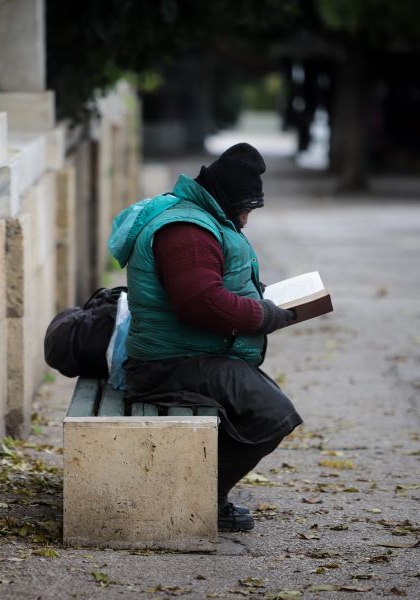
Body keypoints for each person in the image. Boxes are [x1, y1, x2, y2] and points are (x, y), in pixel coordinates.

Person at [107, 143, 303, 532]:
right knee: (272, 414)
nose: (246, 219)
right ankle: (197, 498)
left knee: (263, 405)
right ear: (227, 198)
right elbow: (201, 304)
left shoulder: (200, 216)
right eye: (246, 207)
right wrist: (266, 314)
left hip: (188, 355)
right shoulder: (187, 231)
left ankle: (197, 488)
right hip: (168, 365)